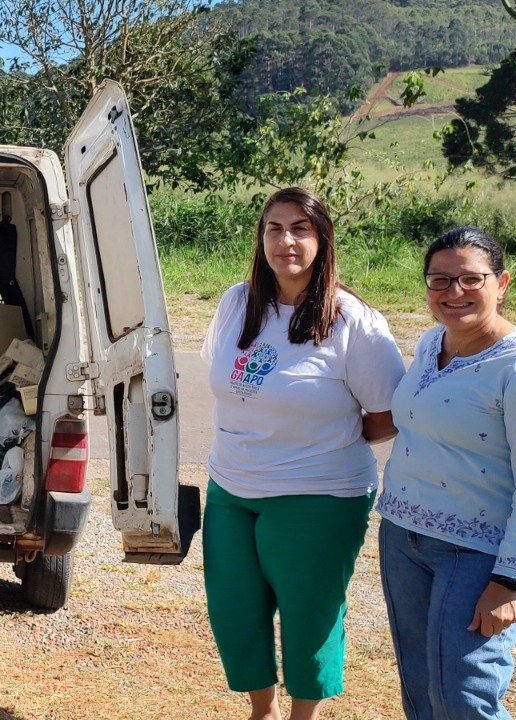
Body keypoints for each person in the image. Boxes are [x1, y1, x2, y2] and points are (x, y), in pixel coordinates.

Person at [200, 187, 406, 720]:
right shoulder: (236, 302)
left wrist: (321, 437)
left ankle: (302, 717)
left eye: (300, 229)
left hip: (319, 495)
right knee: (234, 611)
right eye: (274, 228)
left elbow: (386, 414)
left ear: (322, 238)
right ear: (260, 237)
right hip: (232, 488)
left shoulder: (353, 320)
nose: (285, 240)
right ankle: (261, 711)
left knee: (308, 616)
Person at [376, 226, 516, 720]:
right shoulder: (430, 344)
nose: (454, 293)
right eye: (439, 280)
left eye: (471, 279)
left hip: (479, 556)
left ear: (502, 283)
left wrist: (510, 581)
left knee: (464, 696)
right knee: (422, 688)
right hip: (405, 540)